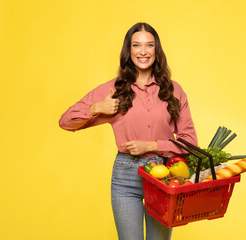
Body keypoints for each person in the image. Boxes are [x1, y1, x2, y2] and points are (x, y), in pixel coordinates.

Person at [59, 22, 198, 240]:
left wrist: (152, 146)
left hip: (166, 176)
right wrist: (96, 108)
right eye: (137, 45)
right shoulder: (114, 89)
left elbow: (190, 143)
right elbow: (66, 121)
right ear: (129, 50)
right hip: (126, 177)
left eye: (149, 45)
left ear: (156, 50)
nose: (143, 51)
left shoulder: (174, 90)